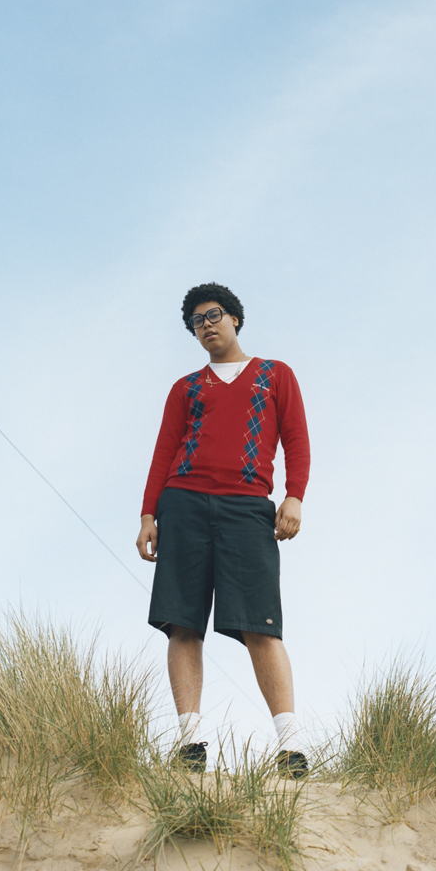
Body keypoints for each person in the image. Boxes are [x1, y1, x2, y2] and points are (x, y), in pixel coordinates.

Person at [136, 282, 311, 776]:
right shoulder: (186, 388)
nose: (206, 324)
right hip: (184, 504)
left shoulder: (275, 375)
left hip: (247, 508)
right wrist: (149, 514)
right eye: (196, 322)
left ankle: (291, 746)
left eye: (213, 315)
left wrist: (294, 496)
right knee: (182, 623)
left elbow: (296, 440)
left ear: (234, 318)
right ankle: (190, 743)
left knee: (262, 625)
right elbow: (163, 451)